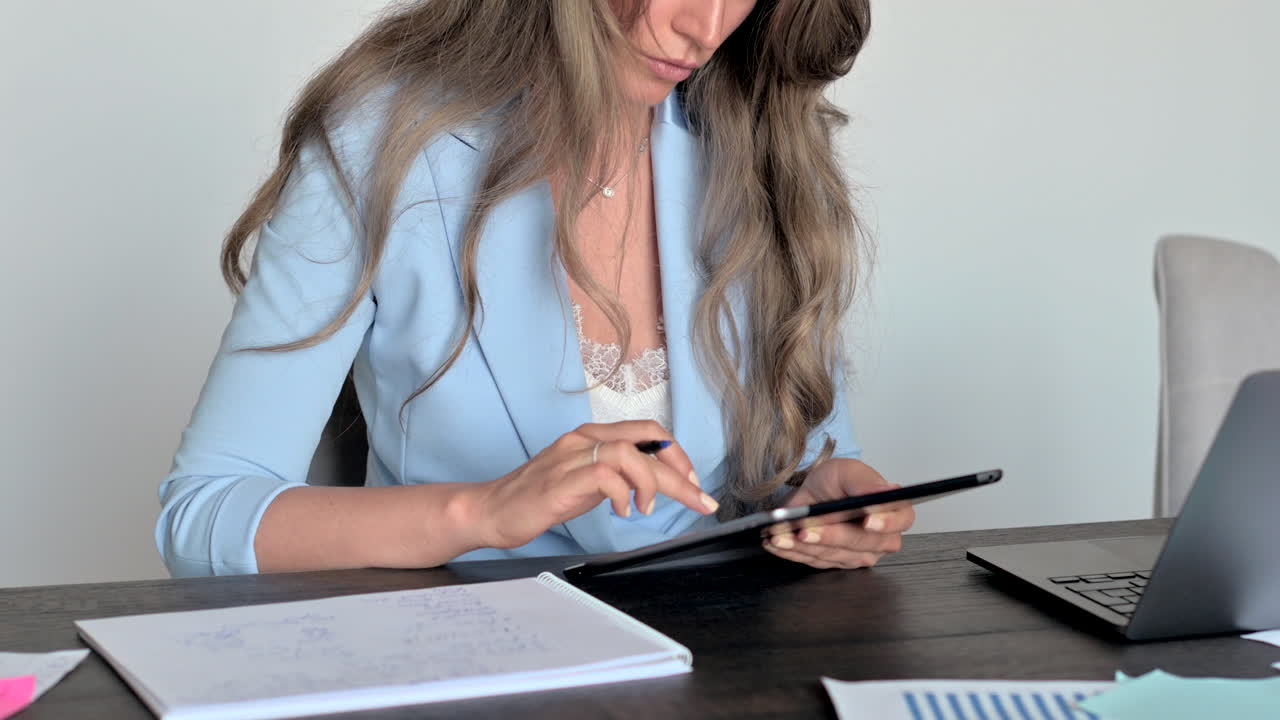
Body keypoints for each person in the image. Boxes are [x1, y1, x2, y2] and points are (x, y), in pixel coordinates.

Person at [156, 0, 914, 578]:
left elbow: (810, 457)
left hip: (724, 659)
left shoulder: (754, 141)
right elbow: (204, 514)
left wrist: (818, 497)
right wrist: (486, 511)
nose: (704, 27)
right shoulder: (380, 144)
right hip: (467, 656)